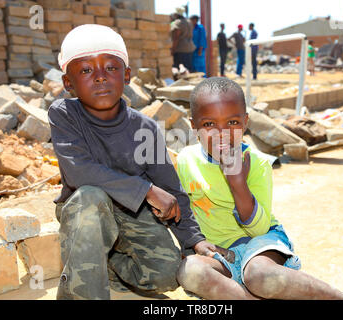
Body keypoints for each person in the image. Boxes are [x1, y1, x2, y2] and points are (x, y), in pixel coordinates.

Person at [48, 24, 219, 300]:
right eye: (86, 71)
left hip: (131, 212)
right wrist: (147, 191)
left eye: (111, 68)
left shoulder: (145, 128)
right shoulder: (64, 114)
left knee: (167, 272)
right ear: (68, 83)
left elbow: (172, 191)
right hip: (84, 211)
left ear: (127, 75)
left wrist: (194, 240)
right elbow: (80, 172)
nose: (101, 78)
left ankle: (107, 270)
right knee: (92, 196)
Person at [175, 77, 343, 301]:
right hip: (220, 255)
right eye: (209, 125)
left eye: (232, 123)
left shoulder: (256, 163)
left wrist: (237, 184)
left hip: (261, 246)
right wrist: (198, 244)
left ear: (245, 122)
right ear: (193, 125)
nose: (222, 133)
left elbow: (258, 229)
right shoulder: (186, 160)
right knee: (190, 271)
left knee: (259, 274)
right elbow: (183, 211)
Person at [170, 7, 196, 73]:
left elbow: (176, 38)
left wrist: (173, 49)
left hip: (180, 49)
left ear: (176, 14)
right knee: (189, 69)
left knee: (180, 71)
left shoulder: (178, 23)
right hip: (190, 48)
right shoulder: (189, 22)